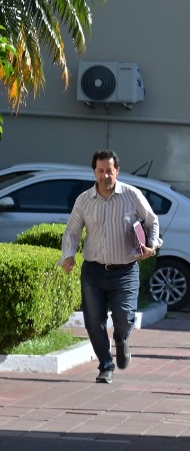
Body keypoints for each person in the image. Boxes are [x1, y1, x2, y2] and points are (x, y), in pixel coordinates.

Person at [57, 150, 160, 384]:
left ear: (117, 171)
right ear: (94, 172)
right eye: (101, 171)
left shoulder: (131, 196)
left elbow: (152, 220)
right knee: (94, 321)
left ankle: (122, 339)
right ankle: (106, 365)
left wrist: (151, 245)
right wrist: (69, 255)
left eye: (109, 171)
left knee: (124, 318)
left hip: (125, 271)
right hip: (93, 271)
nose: (105, 176)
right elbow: (72, 231)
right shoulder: (84, 200)